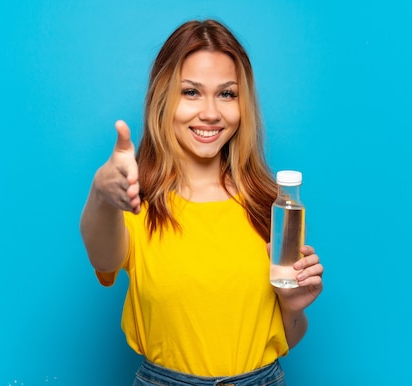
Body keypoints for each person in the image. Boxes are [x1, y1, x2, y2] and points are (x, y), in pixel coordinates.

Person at [80, 19, 324, 385]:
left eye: (227, 94)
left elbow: (287, 337)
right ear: (163, 97)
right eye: (191, 92)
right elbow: (102, 256)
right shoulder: (135, 202)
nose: (211, 113)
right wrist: (101, 193)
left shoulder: (271, 205)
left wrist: (293, 306)